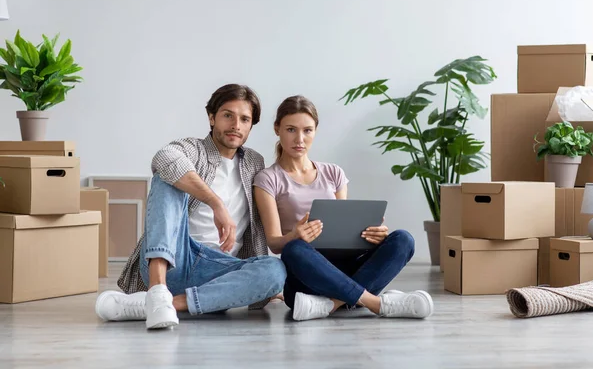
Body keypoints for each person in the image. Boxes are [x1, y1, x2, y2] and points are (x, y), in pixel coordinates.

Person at [95, 84, 287, 329]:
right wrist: (215, 202)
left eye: (245, 119)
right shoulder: (192, 148)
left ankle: (164, 305)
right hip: (176, 254)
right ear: (211, 117)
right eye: (228, 115)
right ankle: (156, 289)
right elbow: (164, 158)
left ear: (251, 125)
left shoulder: (255, 163)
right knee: (167, 176)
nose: (236, 125)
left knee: (275, 269)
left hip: (218, 271)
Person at [253, 95, 434, 321]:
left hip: (346, 269)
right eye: (291, 129)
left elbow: (344, 231)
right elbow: (274, 243)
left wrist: (370, 236)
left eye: (307, 130)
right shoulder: (267, 179)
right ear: (277, 128)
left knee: (403, 239)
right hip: (305, 277)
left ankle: (331, 304)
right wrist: (293, 236)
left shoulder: (334, 173)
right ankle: (375, 303)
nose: (299, 139)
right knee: (294, 248)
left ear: (315, 131)